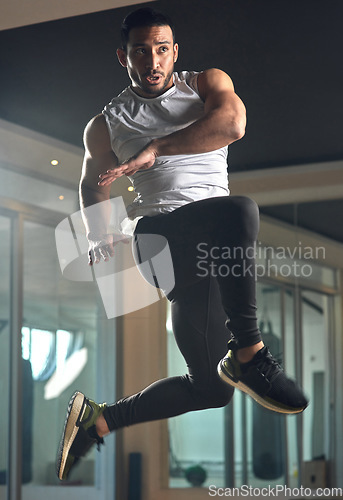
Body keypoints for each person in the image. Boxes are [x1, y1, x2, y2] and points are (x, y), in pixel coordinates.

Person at [56, 7, 308, 481]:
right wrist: (97, 233)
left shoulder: (207, 84)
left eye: (162, 48)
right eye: (140, 51)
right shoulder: (106, 123)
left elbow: (233, 125)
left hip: (211, 250)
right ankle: (250, 354)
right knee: (238, 210)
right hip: (159, 239)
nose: (153, 59)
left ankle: (99, 419)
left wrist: (157, 149)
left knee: (211, 390)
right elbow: (93, 182)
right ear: (122, 56)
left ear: (175, 51)